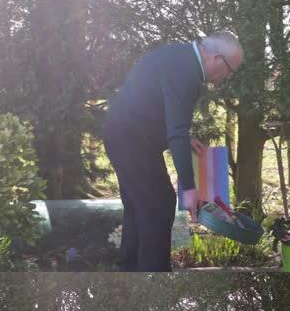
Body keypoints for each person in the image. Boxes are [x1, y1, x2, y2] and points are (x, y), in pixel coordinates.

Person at [100, 31, 244, 271]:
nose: (227, 77)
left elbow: (152, 104)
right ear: (217, 58)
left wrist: (184, 139)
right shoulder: (186, 71)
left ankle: (130, 271)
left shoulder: (178, 56)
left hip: (123, 135)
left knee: (140, 207)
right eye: (230, 70)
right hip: (131, 141)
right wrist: (188, 188)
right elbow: (176, 129)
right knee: (159, 206)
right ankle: (153, 279)